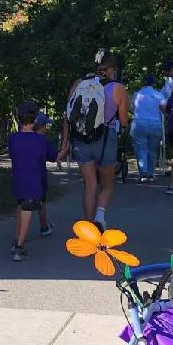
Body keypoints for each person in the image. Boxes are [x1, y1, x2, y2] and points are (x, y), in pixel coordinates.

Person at [62, 50, 129, 228]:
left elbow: (68, 116)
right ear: (112, 69)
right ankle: (100, 217)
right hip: (106, 138)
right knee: (107, 185)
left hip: (81, 139)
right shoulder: (118, 88)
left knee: (90, 184)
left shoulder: (79, 83)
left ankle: (89, 227)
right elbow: (123, 121)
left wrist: (65, 142)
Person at [8, 101, 63, 261]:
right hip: (33, 183)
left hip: (17, 181)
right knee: (26, 212)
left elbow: (14, 156)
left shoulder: (13, 139)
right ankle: (19, 247)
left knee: (20, 207)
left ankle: (16, 239)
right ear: (36, 120)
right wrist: (65, 148)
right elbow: (54, 157)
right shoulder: (41, 141)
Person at [131, 72, 165, 180]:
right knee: (153, 150)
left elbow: (132, 108)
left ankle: (143, 172)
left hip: (139, 123)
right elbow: (164, 109)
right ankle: (151, 173)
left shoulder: (137, 94)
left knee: (141, 148)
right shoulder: (159, 95)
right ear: (153, 83)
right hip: (155, 124)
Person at [34, 112, 55, 236]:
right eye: (45, 126)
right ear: (41, 126)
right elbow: (53, 156)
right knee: (41, 202)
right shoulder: (43, 142)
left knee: (22, 205)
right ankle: (43, 226)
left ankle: (19, 233)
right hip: (39, 177)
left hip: (23, 177)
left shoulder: (21, 139)